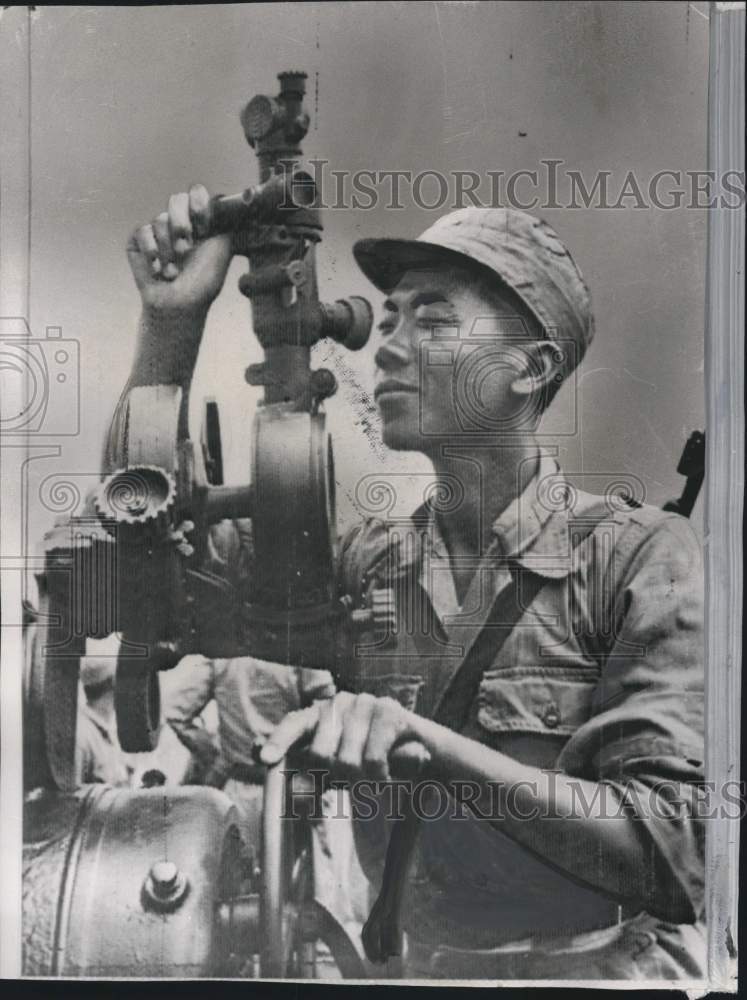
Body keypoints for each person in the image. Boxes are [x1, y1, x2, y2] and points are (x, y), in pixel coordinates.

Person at [117, 191, 705, 981]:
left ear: (528, 368)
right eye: (386, 320)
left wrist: (426, 744)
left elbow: (675, 855)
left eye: (431, 320)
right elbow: (142, 574)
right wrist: (170, 327)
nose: (386, 347)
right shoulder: (369, 567)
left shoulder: (637, 560)